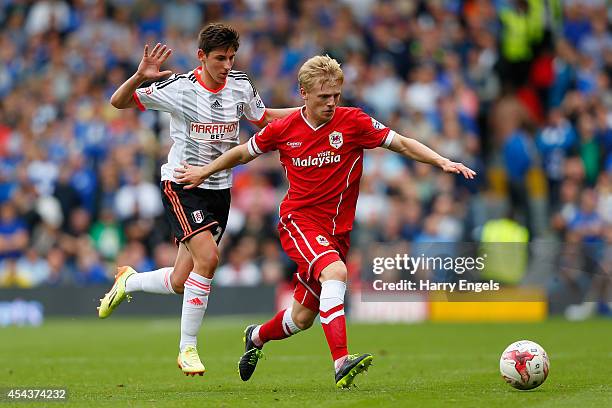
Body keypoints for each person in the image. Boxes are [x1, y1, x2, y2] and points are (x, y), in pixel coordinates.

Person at [174, 55, 476, 388]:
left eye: (336, 95)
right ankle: (341, 362)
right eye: (323, 97)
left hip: (337, 233)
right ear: (303, 93)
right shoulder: (283, 129)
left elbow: (401, 142)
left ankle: (257, 336)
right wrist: (204, 170)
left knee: (301, 318)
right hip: (299, 221)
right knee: (336, 273)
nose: (331, 103)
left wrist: (441, 160)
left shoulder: (354, 122)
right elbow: (243, 153)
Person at [98, 23, 298, 376]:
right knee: (208, 258)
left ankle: (128, 281)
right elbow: (119, 102)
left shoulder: (241, 85)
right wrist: (139, 76)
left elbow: (262, 118)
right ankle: (187, 348)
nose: (226, 64)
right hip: (182, 184)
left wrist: (306, 113)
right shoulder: (179, 88)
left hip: (219, 189)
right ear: (201, 57)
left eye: (231, 57)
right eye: (220, 58)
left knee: (180, 280)